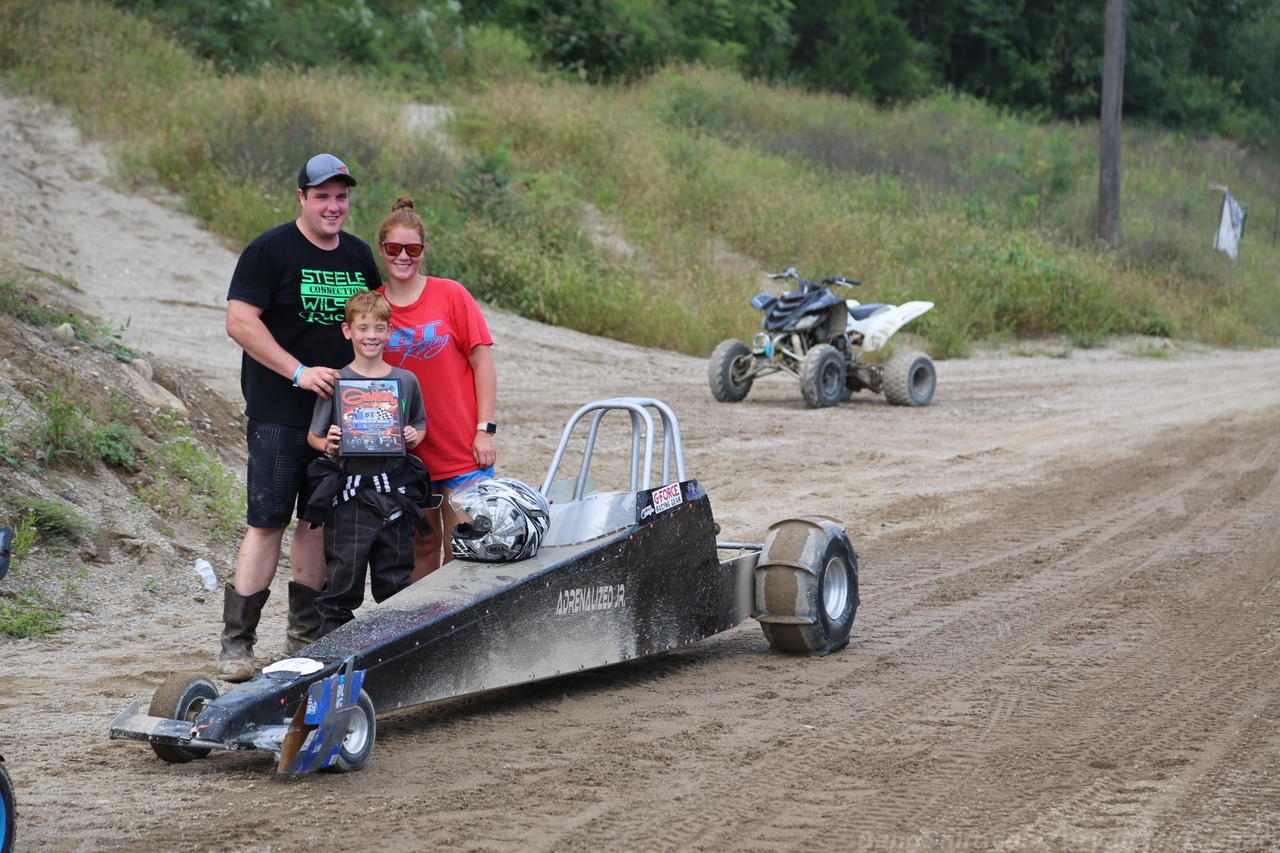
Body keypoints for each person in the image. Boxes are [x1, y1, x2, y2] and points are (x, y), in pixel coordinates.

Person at [218, 153, 380, 682]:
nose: (334, 206)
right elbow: (240, 322)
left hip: (340, 420)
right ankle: (237, 646)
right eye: (323, 196)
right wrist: (298, 372)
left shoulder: (357, 255)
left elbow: (373, 325)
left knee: (316, 524)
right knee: (266, 524)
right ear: (302, 198)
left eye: (341, 196)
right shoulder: (269, 250)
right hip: (278, 413)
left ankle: (304, 640)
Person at [376, 196, 497, 579]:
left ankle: (463, 637)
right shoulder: (374, 307)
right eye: (394, 248)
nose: (403, 257)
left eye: (412, 249)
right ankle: (423, 632)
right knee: (421, 544)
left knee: (463, 546)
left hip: (462, 447)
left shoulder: (451, 294)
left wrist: (485, 430)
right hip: (408, 452)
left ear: (423, 250)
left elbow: (483, 364)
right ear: (382, 250)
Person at [303, 291, 433, 635]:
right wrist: (328, 442)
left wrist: (411, 435)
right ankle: (333, 647)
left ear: (390, 332)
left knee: (394, 577)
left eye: (379, 328)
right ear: (348, 331)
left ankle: (396, 645)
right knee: (343, 578)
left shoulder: (406, 381)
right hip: (350, 497)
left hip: (394, 494)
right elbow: (314, 437)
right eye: (363, 328)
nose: (371, 335)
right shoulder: (336, 382)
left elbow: (420, 426)